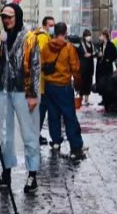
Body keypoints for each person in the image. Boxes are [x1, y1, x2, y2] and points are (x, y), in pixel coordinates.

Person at [0, 3, 41, 194]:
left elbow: (35, 67)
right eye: (4, 17)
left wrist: (33, 94)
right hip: (3, 90)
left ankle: (32, 173)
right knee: (4, 134)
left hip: (22, 92)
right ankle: (6, 172)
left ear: (17, 16)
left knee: (29, 133)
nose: (7, 20)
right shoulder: (1, 39)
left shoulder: (29, 38)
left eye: (10, 16)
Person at [41, 22, 86, 159]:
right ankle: (75, 147)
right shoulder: (68, 48)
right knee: (69, 116)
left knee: (53, 115)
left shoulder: (46, 47)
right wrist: (78, 84)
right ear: (65, 32)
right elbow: (75, 68)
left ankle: (55, 141)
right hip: (64, 86)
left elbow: (41, 64)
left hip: (49, 85)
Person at [33, 17, 54, 145]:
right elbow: (41, 56)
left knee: (40, 109)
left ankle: (36, 134)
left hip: (39, 79)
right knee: (41, 109)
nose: (53, 27)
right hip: (41, 80)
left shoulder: (39, 34)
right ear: (45, 25)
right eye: (51, 25)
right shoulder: (43, 37)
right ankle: (36, 135)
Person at [95, 30, 117, 109]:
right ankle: (103, 99)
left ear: (104, 36)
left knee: (107, 84)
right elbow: (97, 54)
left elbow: (115, 55)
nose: (100, 37)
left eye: (101, 35)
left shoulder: (111, 45)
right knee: (101, 83)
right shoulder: (100, 45)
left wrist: (109, 59)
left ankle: (108, 101)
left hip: (107, 68)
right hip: (100, 67)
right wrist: (98, 55)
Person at [76, 29, 95, 105]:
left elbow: (93, 53)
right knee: (82, 82)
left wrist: (91, 54)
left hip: (90, 66)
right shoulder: (81, 43)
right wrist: (87, 54)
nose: (89, 37)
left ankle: (87, 98)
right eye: (87, 35)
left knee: (89, 82)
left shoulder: (91, 44)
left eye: (89, 35)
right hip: (83, 66)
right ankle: (80, 97)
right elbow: (81, 53)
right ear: (84, 36)